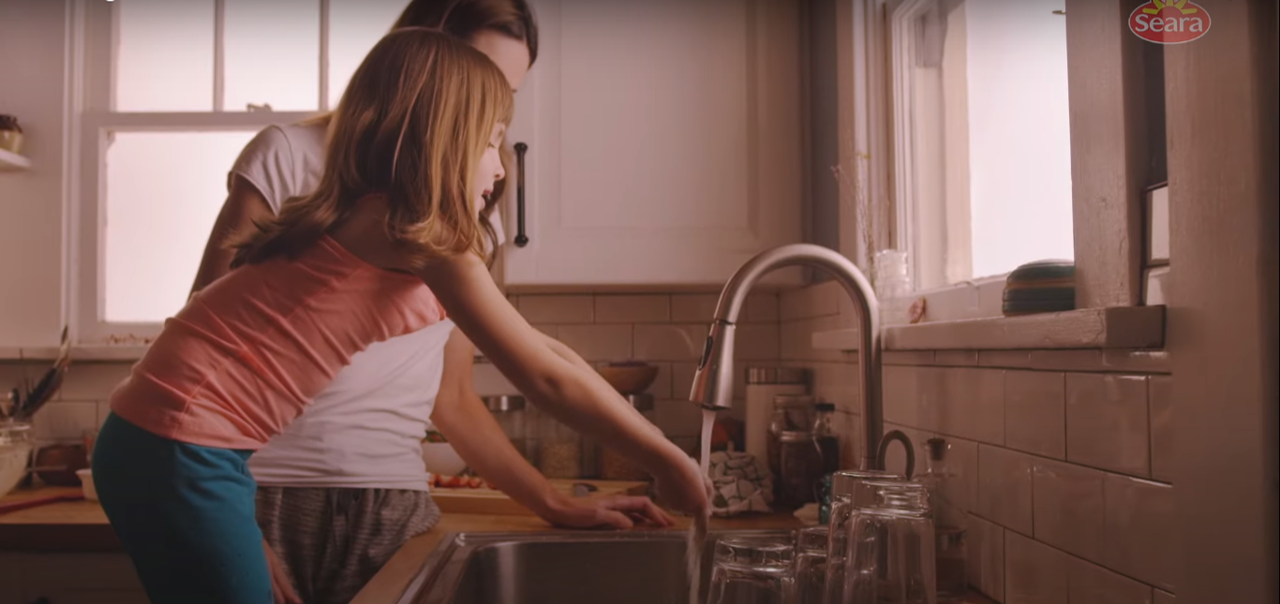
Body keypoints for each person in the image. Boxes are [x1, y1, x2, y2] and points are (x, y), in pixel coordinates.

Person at [92, 27, 709, 604]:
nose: (500, 166)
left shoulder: (386, 224)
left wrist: (234, 527)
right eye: (492, 140)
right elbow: (542, 379)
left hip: (177, 447)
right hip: (181, 449)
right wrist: (667, 461)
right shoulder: (420, 237)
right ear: (442, 138)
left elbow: (545, 353)